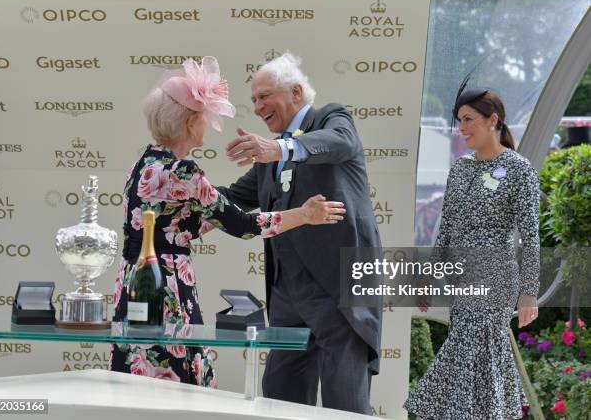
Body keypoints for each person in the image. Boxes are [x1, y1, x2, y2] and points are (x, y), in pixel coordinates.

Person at [109, 56, 346, 385]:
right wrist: (304, 214)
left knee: (136, 380)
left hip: (132, 283)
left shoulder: (144, 164)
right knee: (180, 381)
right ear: (191, 122)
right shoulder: (184, 171)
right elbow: (243, 226)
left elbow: (178, 224)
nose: (208, 125)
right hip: (167, 287)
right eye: (205, 118)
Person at [218, 52, 382, 414]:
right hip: (287, 297)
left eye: (264, 97)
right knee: (279, 399)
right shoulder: (268, 159)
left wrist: (279, 148)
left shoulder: (332, 118)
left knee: (345, 406)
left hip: (340, 289)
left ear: (295, 92)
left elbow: (339, 142)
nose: (258, 108)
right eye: (254, 100)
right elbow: (229, 201)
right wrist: (180, 186)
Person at [404, 88, 540, 419]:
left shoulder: (518, 169)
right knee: (483, 361)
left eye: (468, 120)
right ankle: (499, 412)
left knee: (469, 353)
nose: (461, 128)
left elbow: (531, 237)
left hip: (496, 279)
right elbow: (447, 229)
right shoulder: (461, 168)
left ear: (493, 120)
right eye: (458, 121)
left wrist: (529, 292)